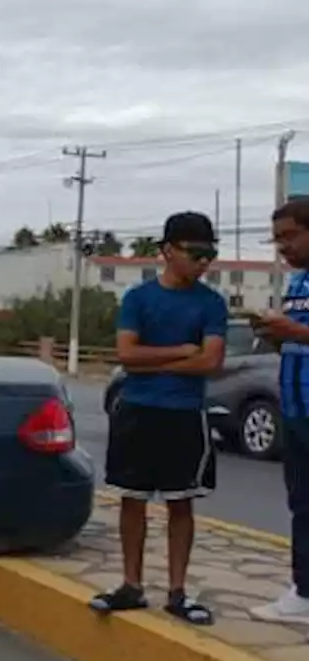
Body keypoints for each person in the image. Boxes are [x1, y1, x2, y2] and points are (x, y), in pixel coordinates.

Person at [90, 211, 227, 625]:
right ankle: (131, 586)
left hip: (185, 416)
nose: (204, 263)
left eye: (210, 254)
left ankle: (177, 592)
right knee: (132, 501)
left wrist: (157, 361)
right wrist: (182, 352)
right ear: (168, 251)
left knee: (180, 503)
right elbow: (126, 355)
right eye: (195, 253)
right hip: (137, 413)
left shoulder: (212, 303)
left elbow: (211, 361)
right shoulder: (138, 299)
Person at [247, 199, 309, 624]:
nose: (282, 247)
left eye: (290, 236)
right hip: (295, 412)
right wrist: (276, 335)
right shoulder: (298, 284)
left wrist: (297, 332)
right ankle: (303, 593)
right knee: (302, 506)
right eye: (277, 239)